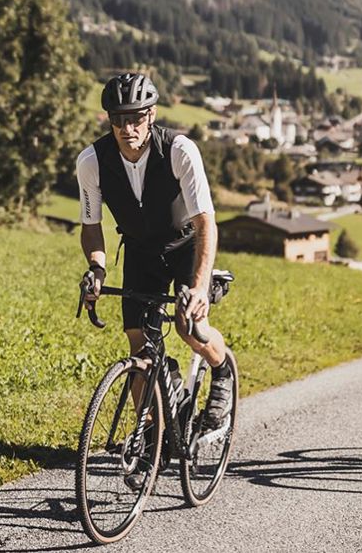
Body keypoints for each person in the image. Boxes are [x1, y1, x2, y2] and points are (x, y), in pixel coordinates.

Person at [77, 73, 234, 451]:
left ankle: (222, 368)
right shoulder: (92, 161)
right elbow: (91, 226)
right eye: (118, 119)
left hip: (186, 245)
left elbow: (205, 223)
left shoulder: (179, 150)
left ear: (151, 115)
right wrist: (97, 267)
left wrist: (198, 286)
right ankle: (150, 435)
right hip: (139, 250)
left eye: (135, 118)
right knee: (139, 346)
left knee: (189, 325)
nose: (126, 128)